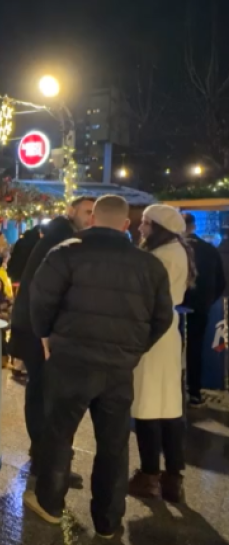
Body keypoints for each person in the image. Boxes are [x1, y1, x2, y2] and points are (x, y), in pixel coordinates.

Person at [23, 195, 174, 538]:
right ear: (126, 225)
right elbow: (163, 317)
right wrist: (134, 349)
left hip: (70, 361)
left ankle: (49, 503)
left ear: (92, 220)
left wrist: (48, 337)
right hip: (119, 368)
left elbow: (41, 300)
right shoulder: (148, 266)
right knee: (114, 445)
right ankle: (108, 521)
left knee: (59, 434)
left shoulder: (65, 254)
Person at [10, 196, 96, 472]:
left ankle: (45, 451)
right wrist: (47, 334)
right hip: (41, 330)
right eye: (87, 211)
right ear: (71, 212)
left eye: (95, 212)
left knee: (43, 390)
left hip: (38, 326)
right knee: (44, 391)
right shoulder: (63, 240)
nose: (91, 217)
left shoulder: (61, 236)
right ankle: (45, 454)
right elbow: (46, 290)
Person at [128, 205, 197, 503]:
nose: (140, 228)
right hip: (168, 332)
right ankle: (173, 477)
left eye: (145, 223)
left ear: (159, 227)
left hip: (151, 333)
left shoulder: (157, 258)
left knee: (146, 406)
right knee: (169, 407)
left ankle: (149, 475)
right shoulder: (178, 252)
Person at [181, 212, 226, 406]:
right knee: (195, 348)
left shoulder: (174, 249)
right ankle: (195, 392)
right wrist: (207, 301)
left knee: (172, 347)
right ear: (193, 226)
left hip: (175, 305)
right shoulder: (209, 249)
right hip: (200, 307)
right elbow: (221, 281)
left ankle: (172, 390)